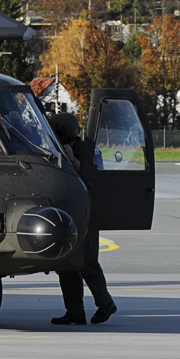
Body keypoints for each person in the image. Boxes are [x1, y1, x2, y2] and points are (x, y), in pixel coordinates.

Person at [49, 112, 117, 326]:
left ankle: (105, 303)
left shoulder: (88, 151)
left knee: (87, 262)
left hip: (86, 213)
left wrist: (72, 159)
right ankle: (74, 311)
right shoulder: (56, 149)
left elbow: (93, 177)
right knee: (66, 263)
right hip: (67, 212)